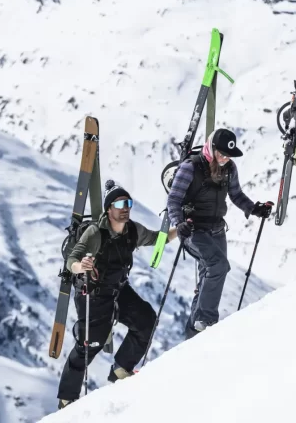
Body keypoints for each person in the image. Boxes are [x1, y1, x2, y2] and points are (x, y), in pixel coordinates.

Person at [57, 180, 168, 409]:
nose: (125, 207)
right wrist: (82, 266)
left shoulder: (133, 231)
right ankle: (67, 399)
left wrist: (180, 230)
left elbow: (159, 238)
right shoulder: (95, 233)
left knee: (146, 320)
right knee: (89, 344)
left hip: (119, 289)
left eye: (128, 202)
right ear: (109, 209)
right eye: (119, 203)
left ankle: (120, 370)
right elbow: (72, 260)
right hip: (94, 293)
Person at [167, 128, 273, 338]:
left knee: (208, 275)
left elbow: (236, 194)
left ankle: (193, 334)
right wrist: (179, 224)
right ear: (211, 148)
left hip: (217, 229)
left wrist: (254, 209)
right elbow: (174, 200)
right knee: (218, 266)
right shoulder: (191, 167)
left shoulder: (229, 168)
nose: (224, 158)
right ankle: (206, 322)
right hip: (193, 230)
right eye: (221, 153)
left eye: (228, 155)